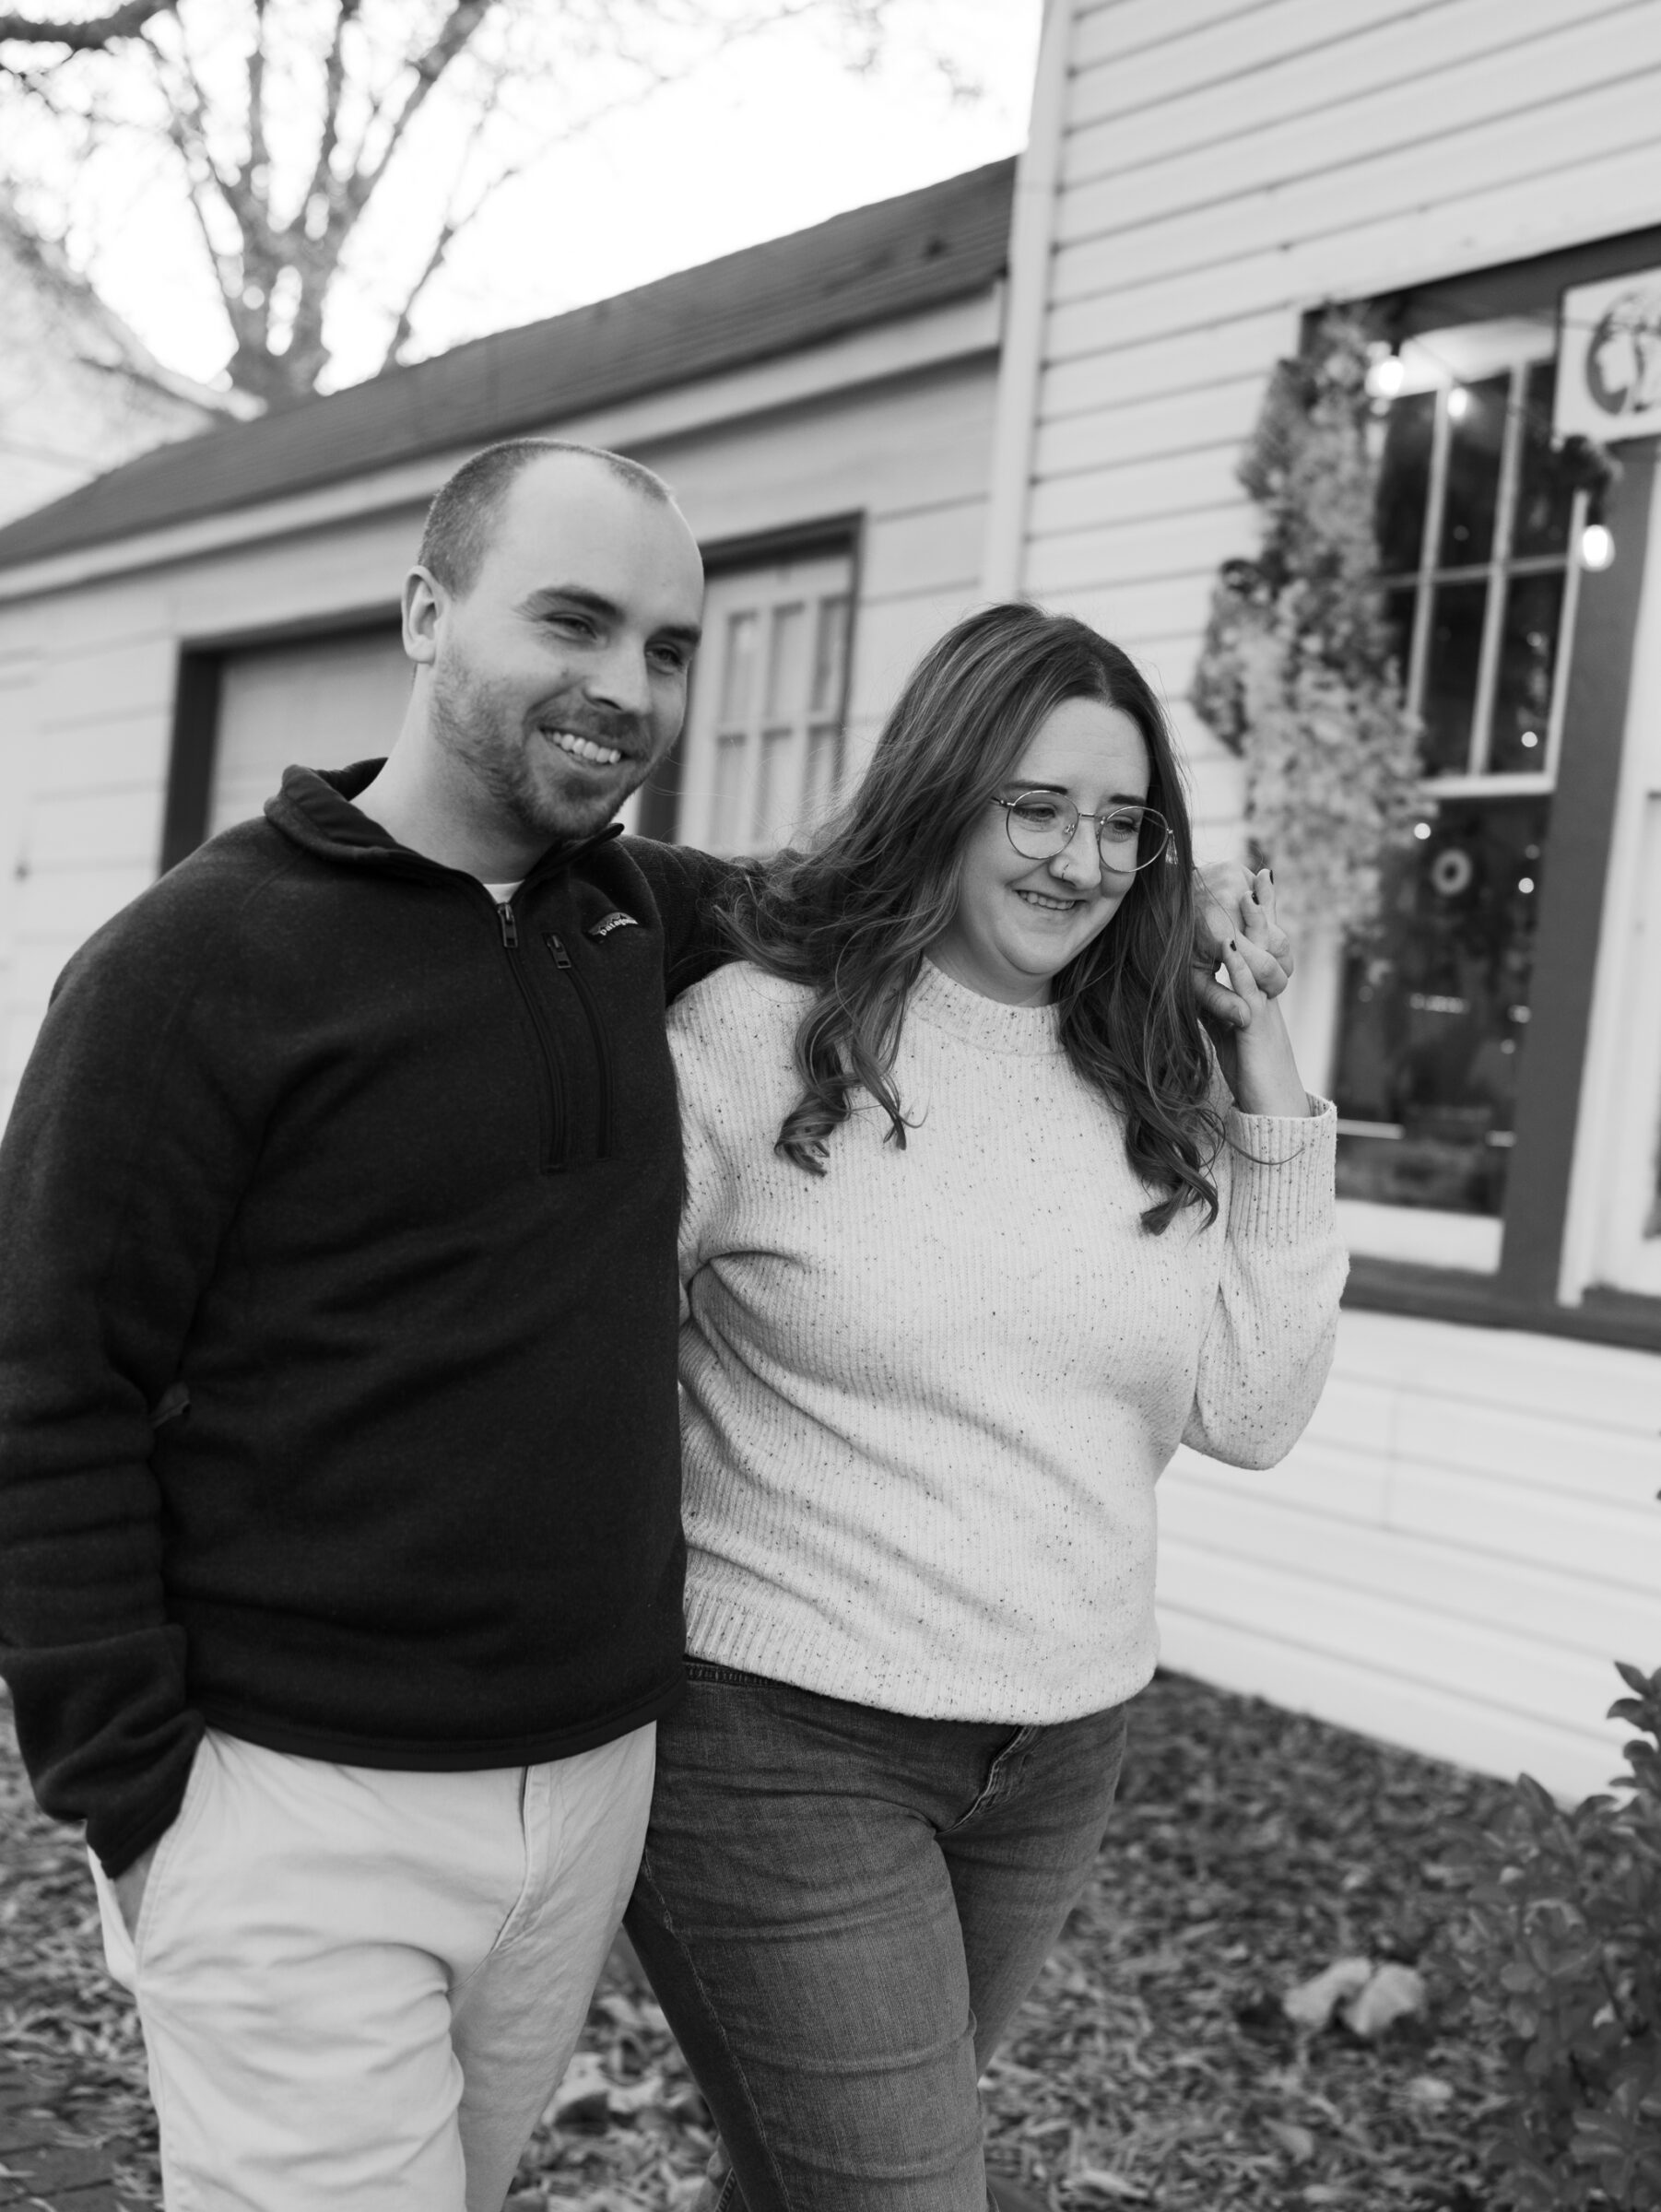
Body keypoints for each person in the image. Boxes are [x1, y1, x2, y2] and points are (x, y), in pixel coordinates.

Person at [0, 438, 732, 2211]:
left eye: (665, 649)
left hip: (589, 1790)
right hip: (293, 1808)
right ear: (424, 612)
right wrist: (141, 1803)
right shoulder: (196, 962)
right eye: (570, 620)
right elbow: (42, 1384)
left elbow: (894, 897)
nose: (622, 689)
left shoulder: (634, 920)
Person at [624, 602, 1348, 2212]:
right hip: (776, 1733)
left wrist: (1259, 1057)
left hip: (1057, 1746)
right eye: (1034, 805)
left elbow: (1252, 1404)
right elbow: (580, 1364)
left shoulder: (1143, 1070)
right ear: (941, 790)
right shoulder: (751, 1039)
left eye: (1119, 820)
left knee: (811, 2180)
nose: (1078, 861)